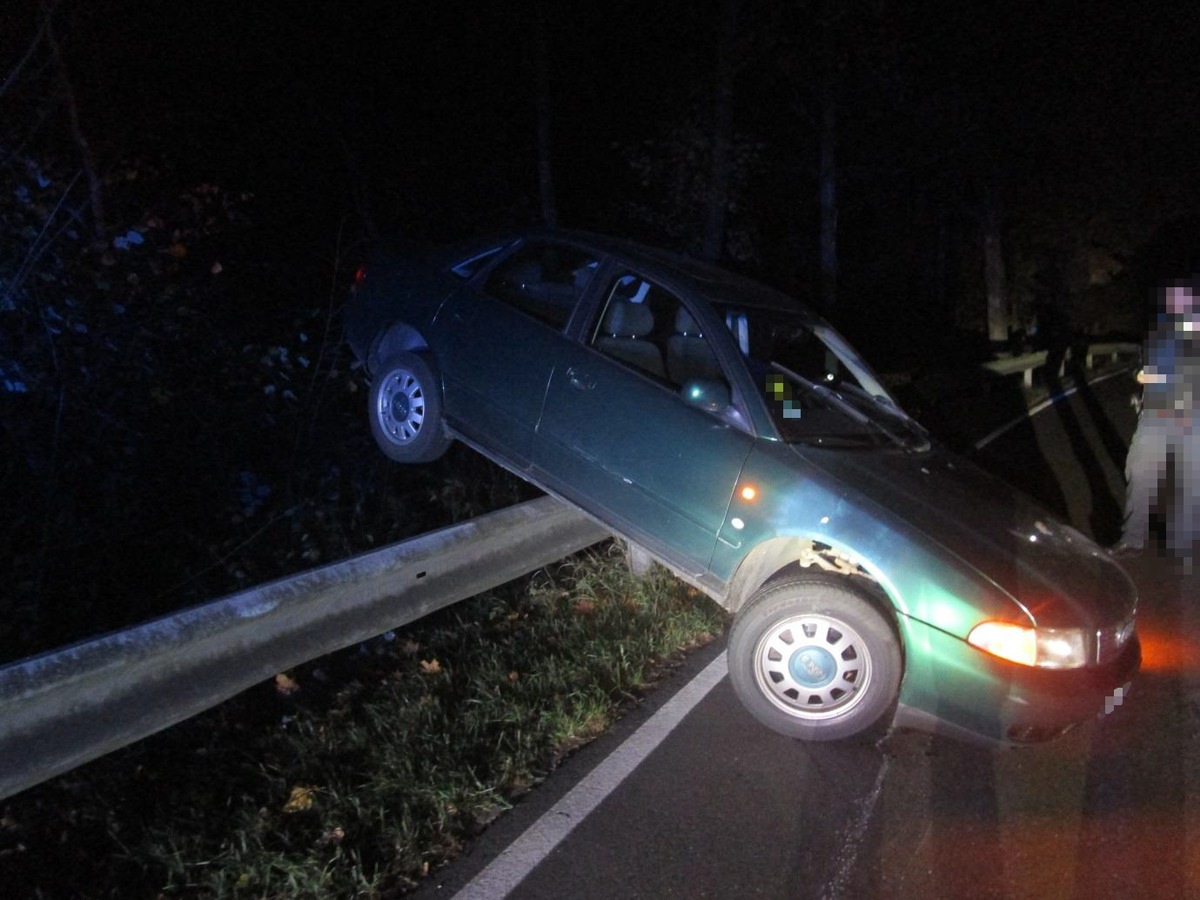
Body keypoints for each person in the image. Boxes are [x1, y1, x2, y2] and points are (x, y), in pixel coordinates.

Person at [1114, 278, 1200, 566]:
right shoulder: (1156, 337)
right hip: (1153, 417)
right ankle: (1132, 540)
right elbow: (1139, 370)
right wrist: (1142, 376)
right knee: (1137, 472)